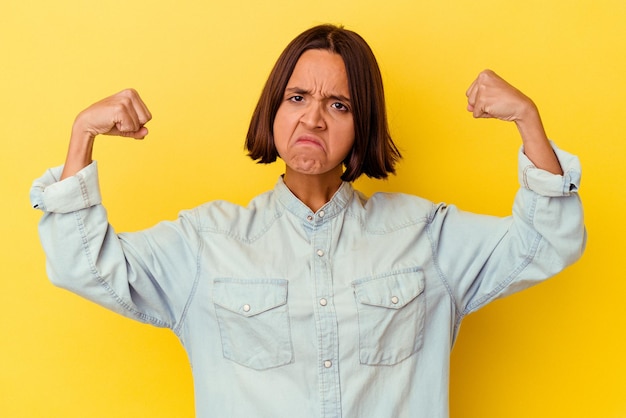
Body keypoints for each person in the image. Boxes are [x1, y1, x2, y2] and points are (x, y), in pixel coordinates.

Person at [31, 24, 585, 418]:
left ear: (361, 124)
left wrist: (528, 121)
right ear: (274, 109)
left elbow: (546, 242)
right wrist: (82, 135)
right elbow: (83, 266)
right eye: (297, 97)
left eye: (339, 105)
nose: (313, 117)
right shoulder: (206, 243)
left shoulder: (425, 236)